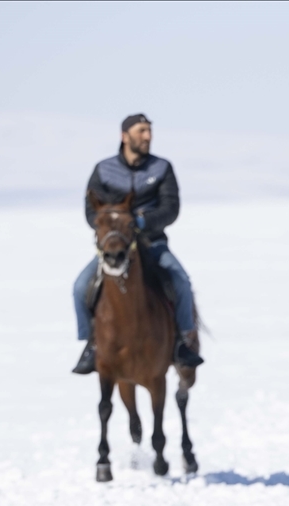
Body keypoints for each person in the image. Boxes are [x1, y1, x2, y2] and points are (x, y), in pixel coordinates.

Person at [72, 113, 203, 374]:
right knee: (79, 288)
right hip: (116, 249)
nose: (148, 136)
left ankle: (182, 342)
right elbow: (91, 211)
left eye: (149, 131)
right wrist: (113, 228)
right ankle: (91, 344)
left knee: (181, 281)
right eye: (142, 131)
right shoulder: (104, 170)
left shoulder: (161, 168)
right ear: (125, 136)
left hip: (152, 244)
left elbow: (171, 208)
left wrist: (141, 223)